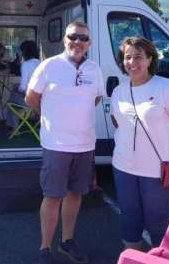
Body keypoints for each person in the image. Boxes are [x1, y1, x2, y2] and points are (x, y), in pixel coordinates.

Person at [26, 21, 104, 264]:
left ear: (89, 43)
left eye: (83, 38)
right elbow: (31, 99)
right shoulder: (49, 66)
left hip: (84, 145)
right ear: (65, 39)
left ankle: (66, 241)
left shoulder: (94, 69)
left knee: (75, 195)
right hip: (56, 145)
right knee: (52, 196)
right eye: (73, 37)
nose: (78, 42)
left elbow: (96, 99)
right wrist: (53, 117)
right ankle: (45, 248)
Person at [110, 36, 169, 250]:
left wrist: (163, 139)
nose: (132, 62)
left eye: (138, 57)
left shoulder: (166, 88)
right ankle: (133, 257)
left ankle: (163, 258)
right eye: (127, 57)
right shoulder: (119, 91)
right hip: (124, 167)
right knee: (129, 217)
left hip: (159, 170)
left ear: (150, 59)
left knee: (158, 221)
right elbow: (117, 122)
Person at [6, 40, 40, 128]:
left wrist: (16, 89)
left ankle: (14, 127)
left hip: (31, 100)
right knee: (15, 97)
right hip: (41, 100)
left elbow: (23, 87)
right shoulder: (41, 63)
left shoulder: (26, 64)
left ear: (24, 52)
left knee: (10, 101)